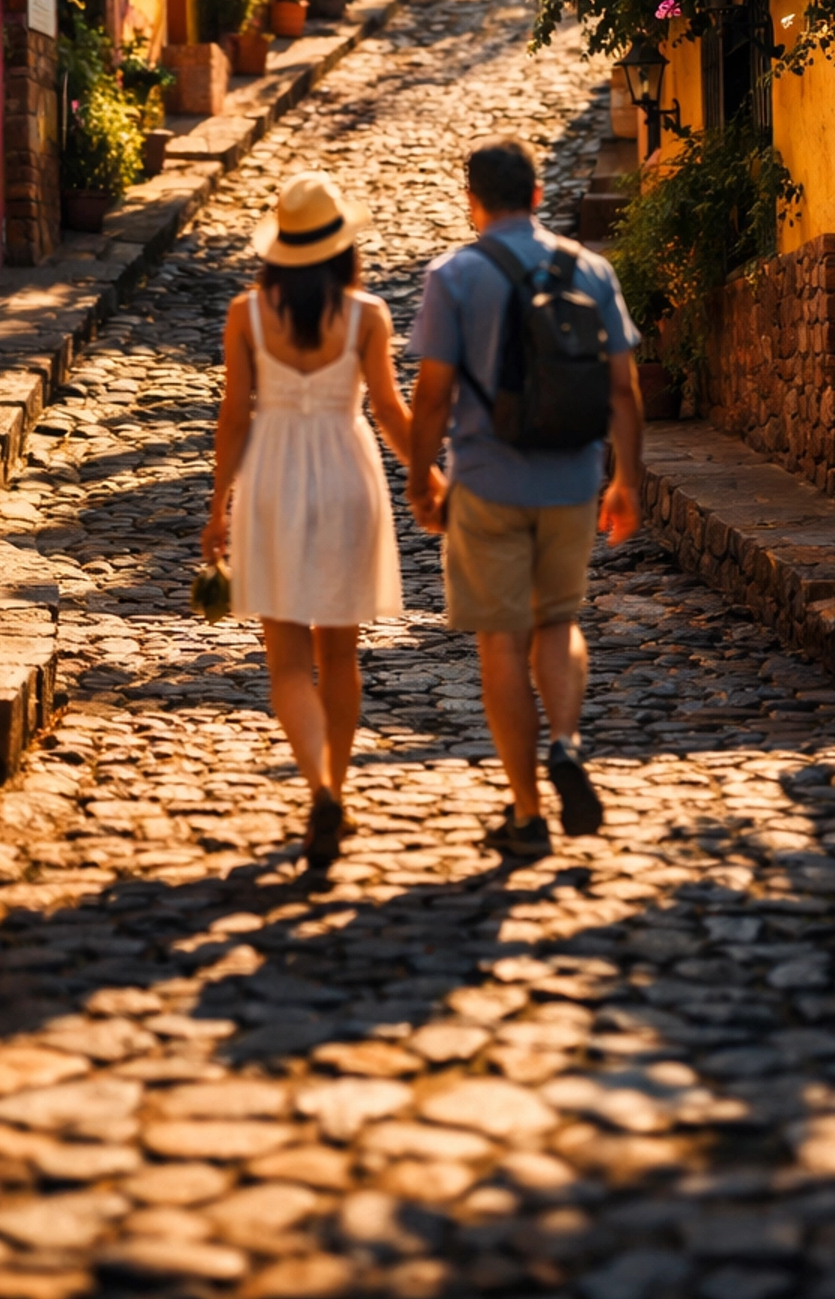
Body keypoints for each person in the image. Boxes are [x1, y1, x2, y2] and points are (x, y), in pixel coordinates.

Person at [407, 135, 643, 858]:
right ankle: (566, 742)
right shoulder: (591, 269)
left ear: (472, 201)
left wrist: (421, 478)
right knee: (559, 621)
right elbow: (624, 389)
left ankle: (526, 812)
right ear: (539, 195)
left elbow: (434, 393)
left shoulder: (455, 274)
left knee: (501, 642)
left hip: (485, 483)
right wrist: (626, 479)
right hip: (572, 479)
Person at [203, 171, 430, 869]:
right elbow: (391, 413)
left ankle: (321, 791)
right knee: (340, 654)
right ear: (340, 247)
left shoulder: (246, 314)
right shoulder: (367, 314)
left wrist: (218, 506)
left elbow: (235, 416)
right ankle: (336, 785)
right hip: (346, 474)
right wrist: (430, 475)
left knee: (286, 664)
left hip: (272, 475)